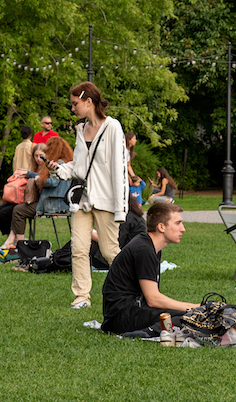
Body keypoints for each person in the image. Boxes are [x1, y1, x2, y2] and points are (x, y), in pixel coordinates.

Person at [63, 82, 129, 311]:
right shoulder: (80, 130)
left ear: (88, 101)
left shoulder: (113, 127)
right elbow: (79, 166)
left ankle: (131, 288)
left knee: (110, 251)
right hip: (82, 201)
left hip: (106, 201)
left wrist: (121, 208)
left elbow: (120, 170)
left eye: (75, 104)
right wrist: (59, 168)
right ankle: (81, 296)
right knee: (78, 248)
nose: (72, 109)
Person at [100, 200, 197, 334]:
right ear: (161, 227)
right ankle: (149, 332)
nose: (183, 228)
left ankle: (155, 329)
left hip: (130, 311)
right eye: (178, 223)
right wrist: (191, 307)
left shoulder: (151, 246)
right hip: (121, 319)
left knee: (188, 317)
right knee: (189, 317)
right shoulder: (144, 249)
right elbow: (153, 299)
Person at [5, 137, 74, 249]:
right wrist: (29, 174)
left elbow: (52, 182)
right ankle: (14, 241)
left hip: (51, 203)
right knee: (18, 208)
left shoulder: (58, 164)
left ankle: (21, 245)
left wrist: (37, 180)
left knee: (18, 211)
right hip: (59, 202)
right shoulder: (67, 163)